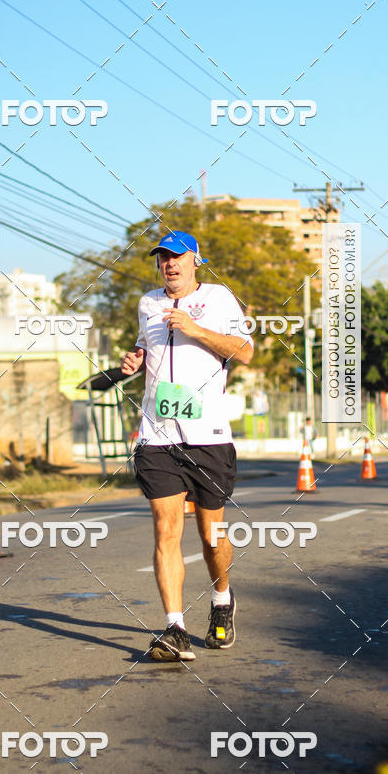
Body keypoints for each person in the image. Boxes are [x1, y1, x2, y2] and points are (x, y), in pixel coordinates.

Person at [121, 230, 253, 661]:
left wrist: (194, 329)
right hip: (158, 435)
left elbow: (244, 351)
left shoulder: (218, 299)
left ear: (196, 260)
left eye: (177, 257)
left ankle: (221, 599)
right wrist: (134, 360)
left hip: (207, 436)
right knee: (165, 528)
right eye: (162, 258)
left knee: (211, 533)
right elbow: (146, 348)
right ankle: (174, 627)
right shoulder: (147, 304)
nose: (169, 264)